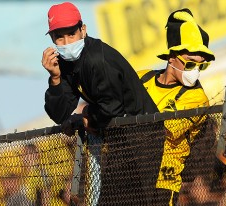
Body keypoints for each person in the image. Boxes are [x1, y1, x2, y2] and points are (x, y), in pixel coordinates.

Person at [41, 2, 160, 205]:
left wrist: (87, 114)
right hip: (120, 137)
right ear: (52, 39)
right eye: (59, 36)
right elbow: (60, 114)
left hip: (144, 136)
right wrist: (55, 79)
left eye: (71, 34)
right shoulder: (67, 64)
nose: (66, 41)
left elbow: (111, 105)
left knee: (146, 201)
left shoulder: (97, 58)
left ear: (83, 30)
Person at [137, 8, 215, 205]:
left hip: (164, 182)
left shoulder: (197, 98)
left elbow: (157, 131)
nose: (195, 71)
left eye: (201, 65)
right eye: (190, 64)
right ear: (172, 57)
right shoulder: (140, 77)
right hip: (130, 176)